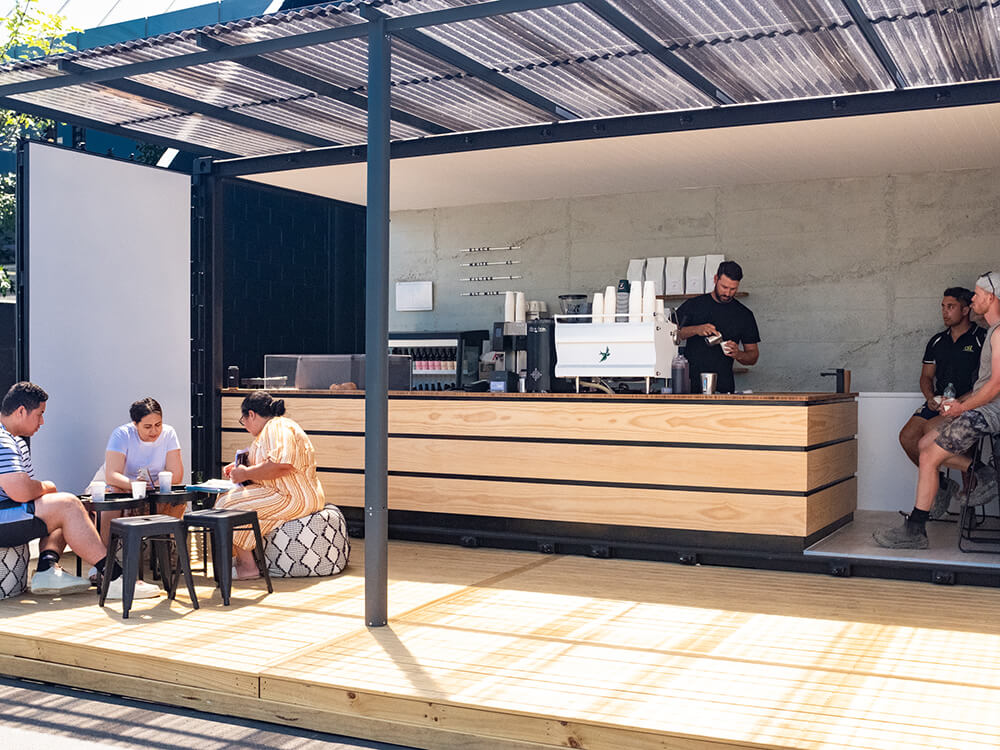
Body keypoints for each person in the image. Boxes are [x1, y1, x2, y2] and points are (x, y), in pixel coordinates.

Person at [874, 272, 1000, 549]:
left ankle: (915, 530)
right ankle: (983, 473)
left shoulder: (997, 332)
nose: (974, 298)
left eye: (977, 295)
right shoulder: (992, 331)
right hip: (975, 407)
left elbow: (995, 387)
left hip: (987, 411)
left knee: (929, 454)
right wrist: (942, 402)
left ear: (990, 298)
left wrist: (960, 407)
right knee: (920, 443)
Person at [0, 382, 159, 598]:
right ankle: (114, 577)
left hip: (8, 512)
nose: (42, 421)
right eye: (39, 414)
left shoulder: (13, 440)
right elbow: (19, 490)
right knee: (67, 504)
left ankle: (47, 568)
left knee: (66, 508)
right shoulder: (3, 440)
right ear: (20, 411)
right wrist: (47, 486)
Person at [216, 391, 326, 580]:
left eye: (244, 421)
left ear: (251, 414)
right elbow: (269, 463)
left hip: (293, 496)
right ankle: (245, 559)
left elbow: (281, 464)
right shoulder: (273, 429)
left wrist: (245, 473)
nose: (245, 427)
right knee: (227, 498)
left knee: (227, 506)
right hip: (287, 493)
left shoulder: (276, 427)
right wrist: (240, 467)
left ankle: (248, 566)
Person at [897, 287, 985, 519]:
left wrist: (961, 402)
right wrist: (930, 399)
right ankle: (944, 486)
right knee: (907, 437)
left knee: (932, 433)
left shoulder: (982, 338)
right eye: (943, 307)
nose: (945, 312)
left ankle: (972, 501)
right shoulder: (937, 341)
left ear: (966, 309)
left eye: (951, 307)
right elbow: (926, 377)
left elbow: (986, 382)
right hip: (938, 401)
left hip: (968, 402)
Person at [96, 398, 184, 543]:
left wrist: (154, 485)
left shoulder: (169, 433)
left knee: (176, 500)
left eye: (158, 424)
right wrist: (136, 485)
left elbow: (176, 474)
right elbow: (112, 475)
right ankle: (104, 558)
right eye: (147, 426)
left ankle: (167, 555)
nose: (154, 431)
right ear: (135, 424)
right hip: (121, 484)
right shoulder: (122, 434)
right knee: (115, 493)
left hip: (151, 487)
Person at [676, 260, 760, 393]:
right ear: (716, 279)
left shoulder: (744, 315)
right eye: (724, 287)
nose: (727, 293)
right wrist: (696, 330)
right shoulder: (693, 305)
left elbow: (753, 356)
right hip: (688, 386)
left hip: (724, 387)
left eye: (733, 289)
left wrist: (738, 354)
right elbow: (672, 334)